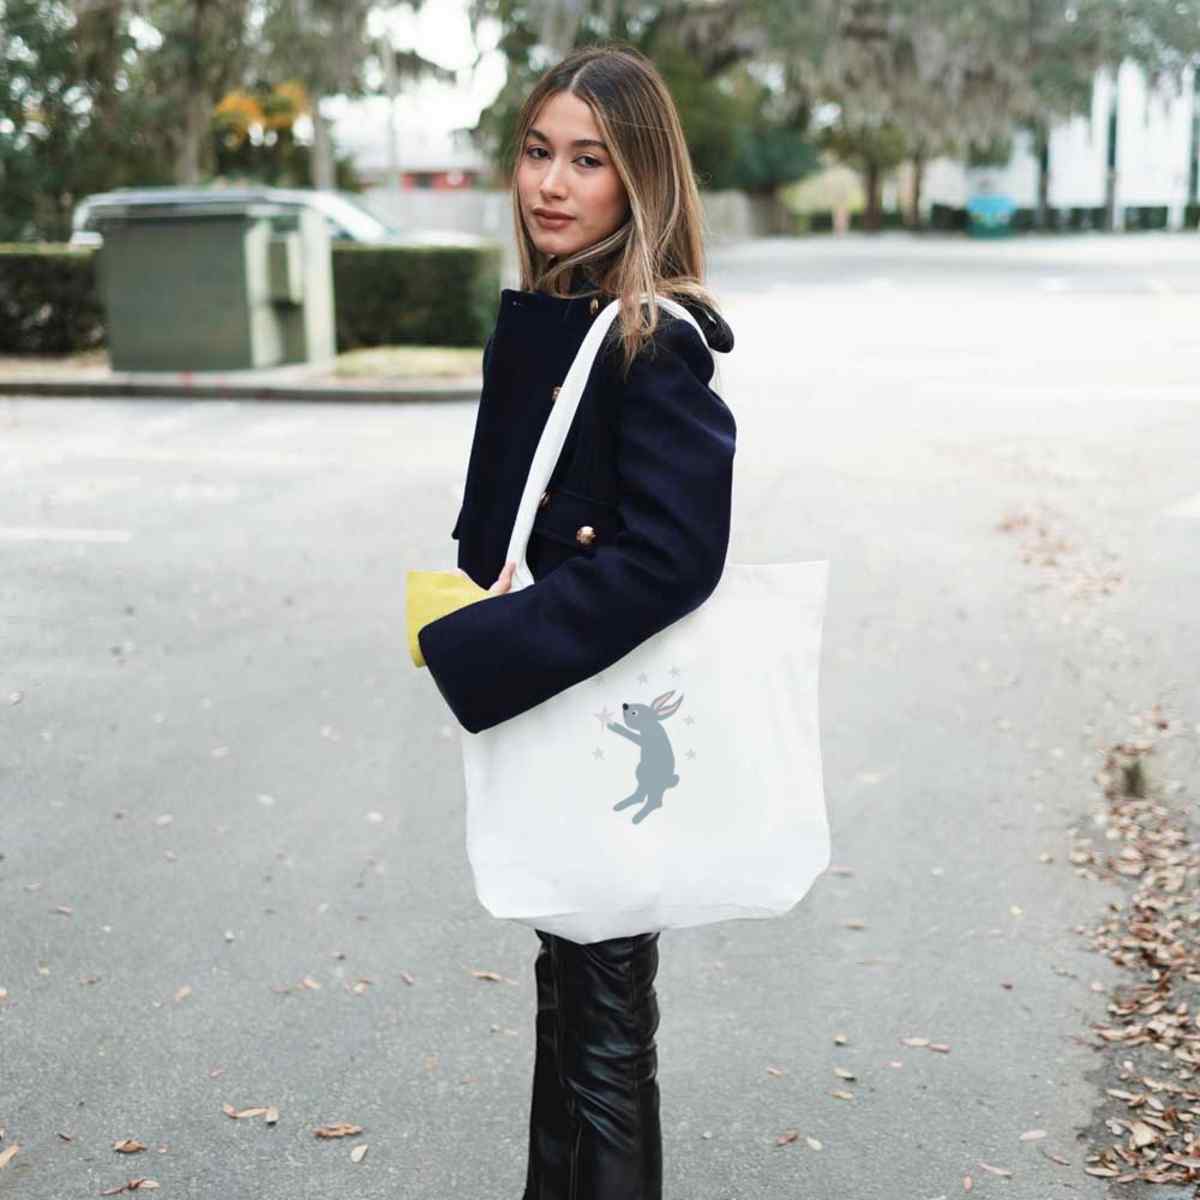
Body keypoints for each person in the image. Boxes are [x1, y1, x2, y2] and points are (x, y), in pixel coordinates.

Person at [405, 41, 736, 1200]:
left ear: (641, 178)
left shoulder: (653, 338)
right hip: (562, 702)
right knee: (573, 997)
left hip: (598, 711)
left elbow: (674, 557)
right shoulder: (557, 314)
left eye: (588, 161)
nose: (551, 184)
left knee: (604, 1029)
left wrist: (488, 646)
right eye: (539, 152)